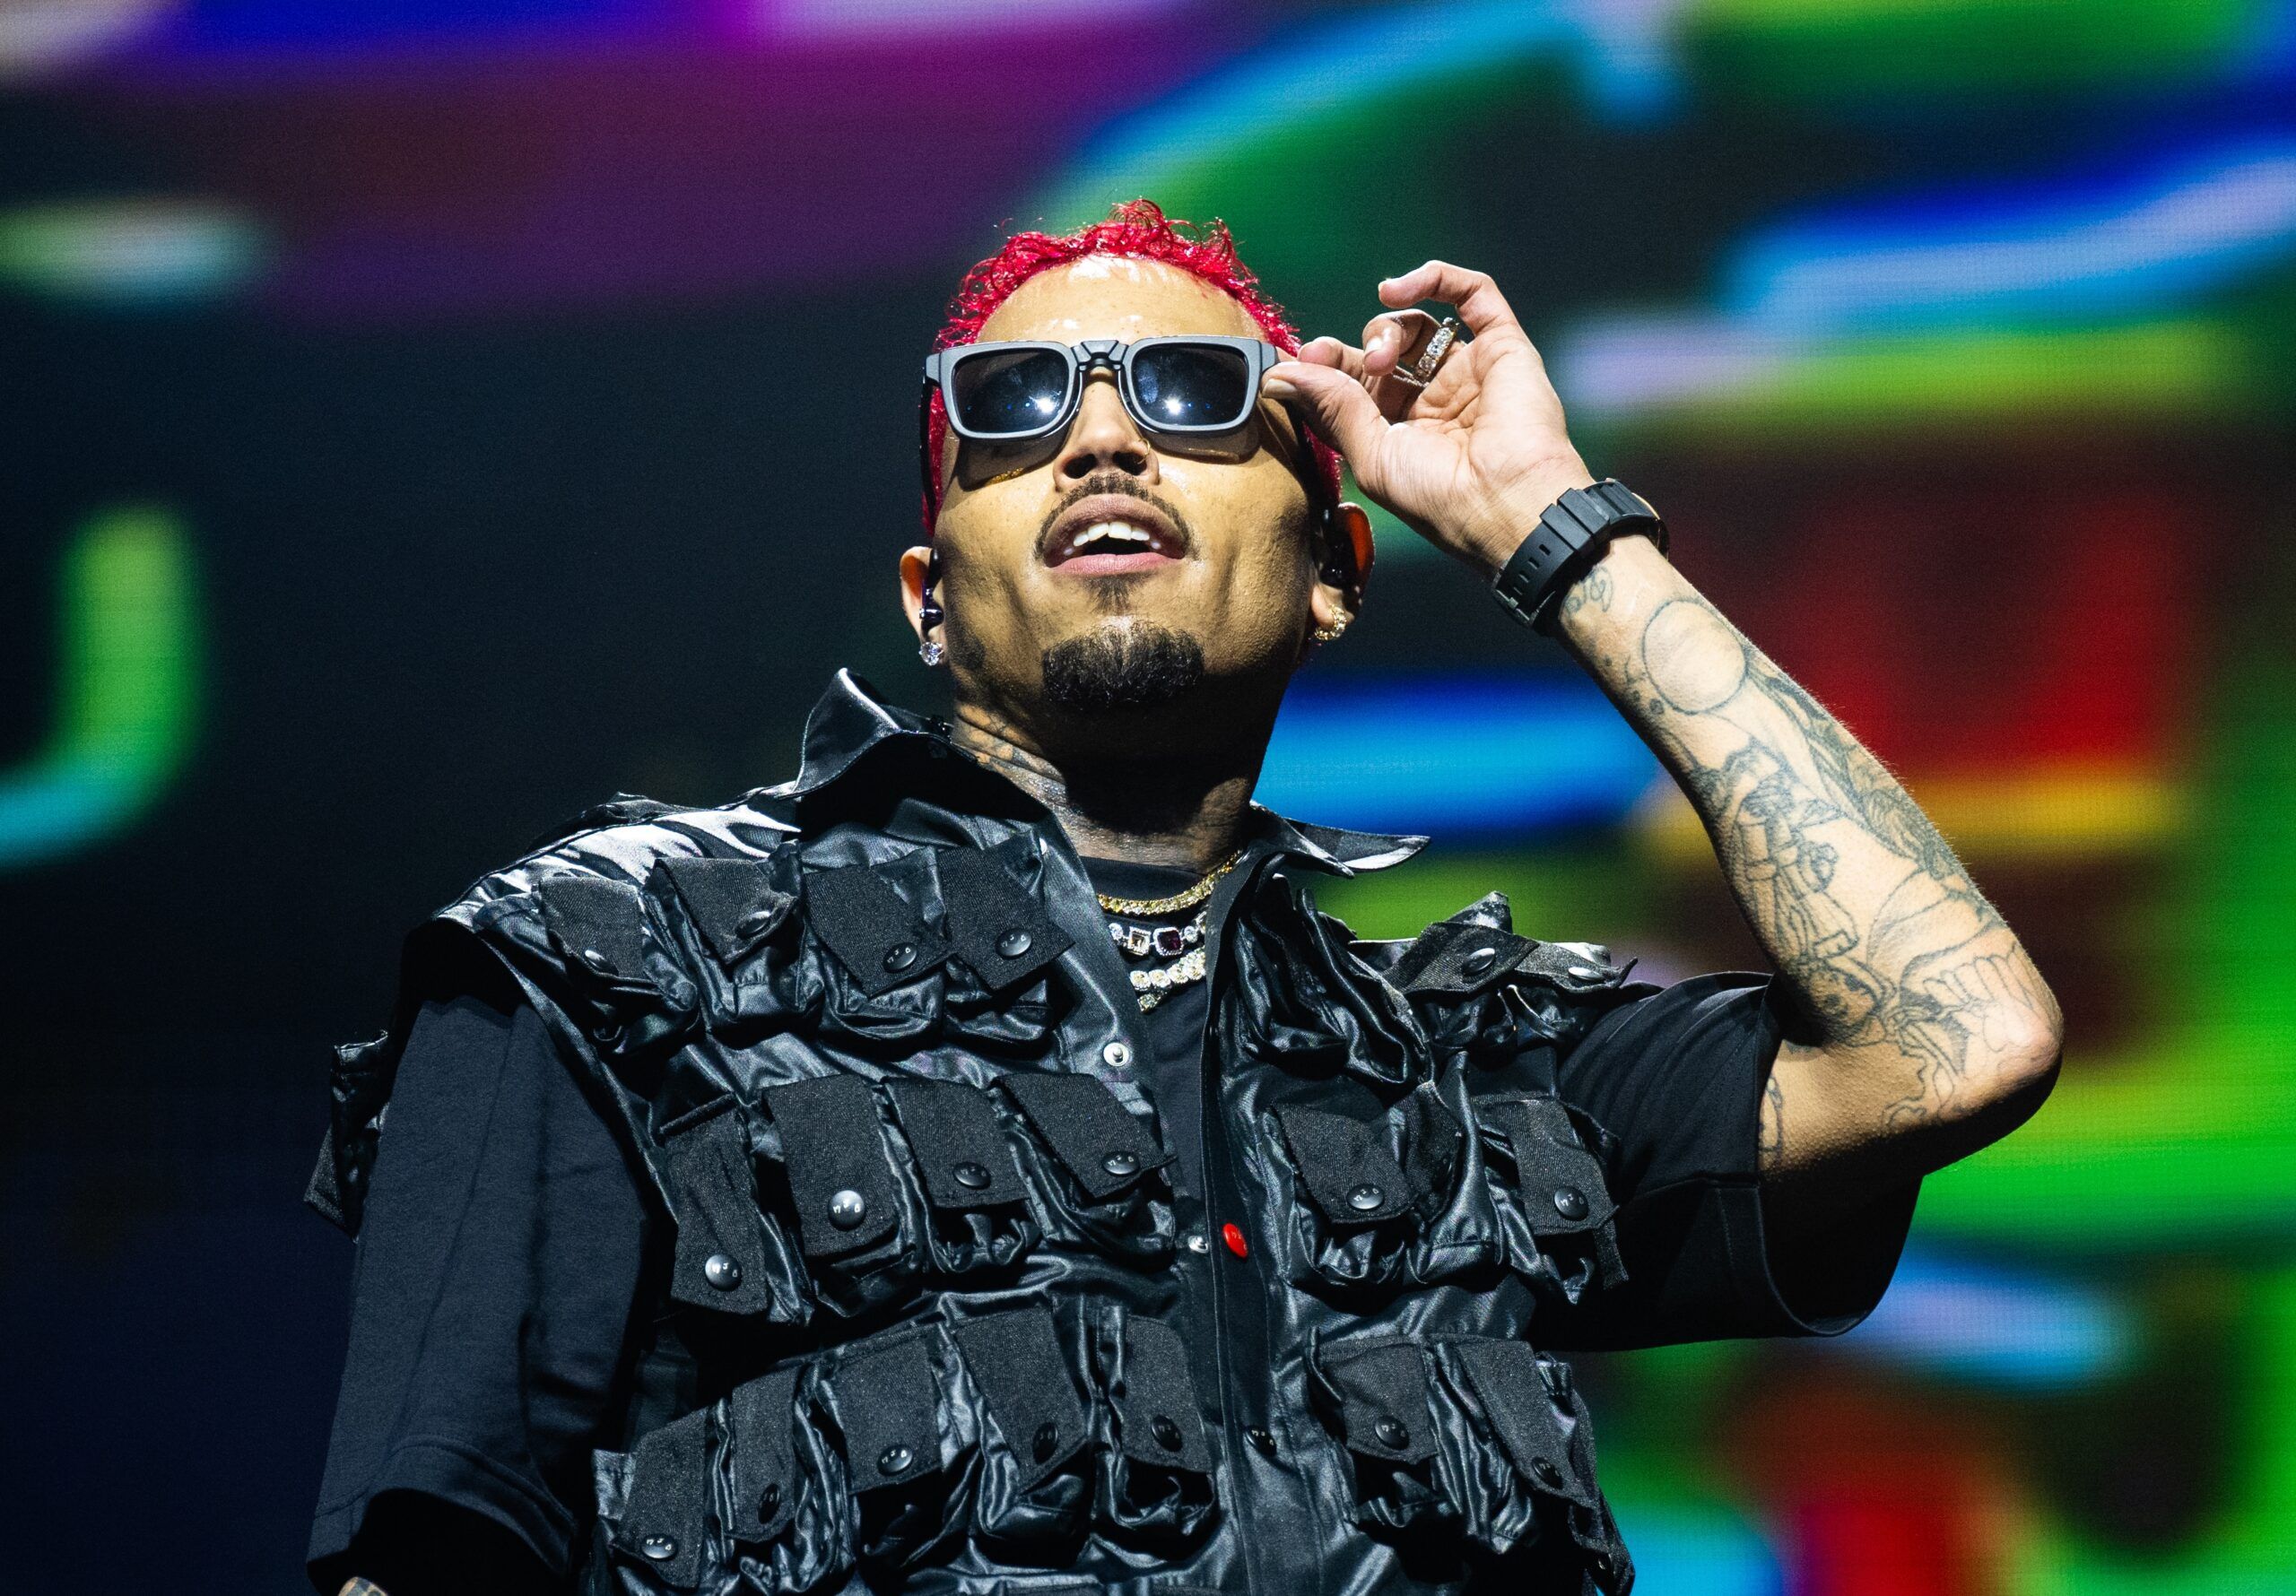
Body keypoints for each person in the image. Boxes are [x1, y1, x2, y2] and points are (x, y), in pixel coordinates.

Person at [306, 200, 2061, 1596]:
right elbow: (431, 1551)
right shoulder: (613, 965)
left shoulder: (1479, 1067)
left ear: (1334, 571)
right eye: (1012, 404)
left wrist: (1550, 525)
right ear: (929, 599)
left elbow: (1957, 1041)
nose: (1099, 439)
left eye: (1191, 393)